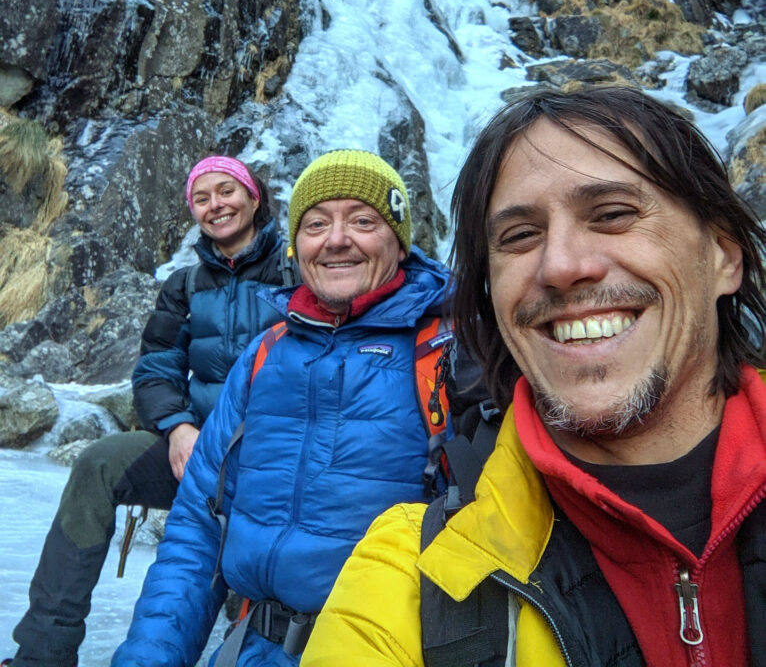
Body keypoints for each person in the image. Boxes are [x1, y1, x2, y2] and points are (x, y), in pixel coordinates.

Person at [302, 86, 766, 667]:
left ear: (724, 256)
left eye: (614, 214)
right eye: (519, 235)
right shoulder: (408, 574)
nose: (562, 265)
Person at [110, 149, 452, 667]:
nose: (336, 239)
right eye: (316, 223)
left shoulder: (448, 351)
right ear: (297, 244)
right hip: (251, 645)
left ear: (399, 241)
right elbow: (198, 528)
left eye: (362, 220)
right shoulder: (266, 350)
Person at [7, 156, 291, 667]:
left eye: (226, 191)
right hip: (198, 450)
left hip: (278, 459)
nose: (215, 205)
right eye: (201, 199)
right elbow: (156, 370)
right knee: (100, 462)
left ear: (254, 198)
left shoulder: (299, 269)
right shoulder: (183, 286)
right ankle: (42, 653)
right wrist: (178, 426)